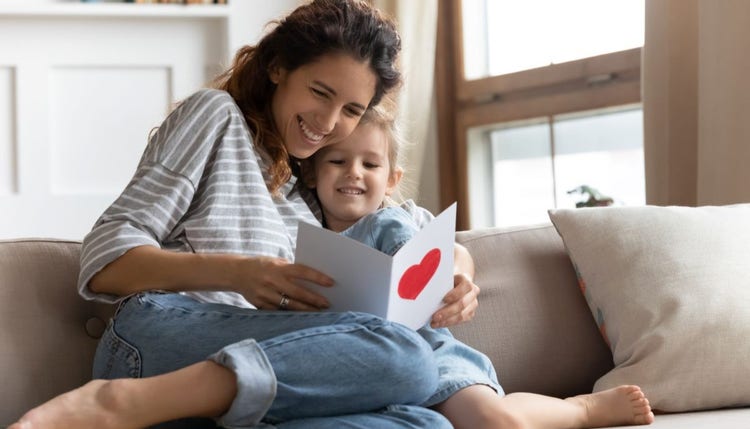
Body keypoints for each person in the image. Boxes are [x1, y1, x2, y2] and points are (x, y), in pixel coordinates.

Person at [10, 0, 653, 427]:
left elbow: (397, 219)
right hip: (154, 340)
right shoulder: (216, 119)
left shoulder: (304, 187)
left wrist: (455, 269)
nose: (327, 124)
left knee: (425, 419)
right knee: (402, 358)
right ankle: (116, 405)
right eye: (320, 94)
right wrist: (239, 274)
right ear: (278, 69)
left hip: (256, 367)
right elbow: (104, 258)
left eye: (349, 111)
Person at [301, 104, 657, 429]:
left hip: (429, 352)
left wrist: (460, 276)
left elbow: (456, 252)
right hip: (355, 371)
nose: (354, 173)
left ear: (392, 178)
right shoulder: (298, 234)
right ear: (313, 173)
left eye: (370, 164)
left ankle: (582, 410)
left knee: (495, 422)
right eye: (337, 162)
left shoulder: (402, 218)